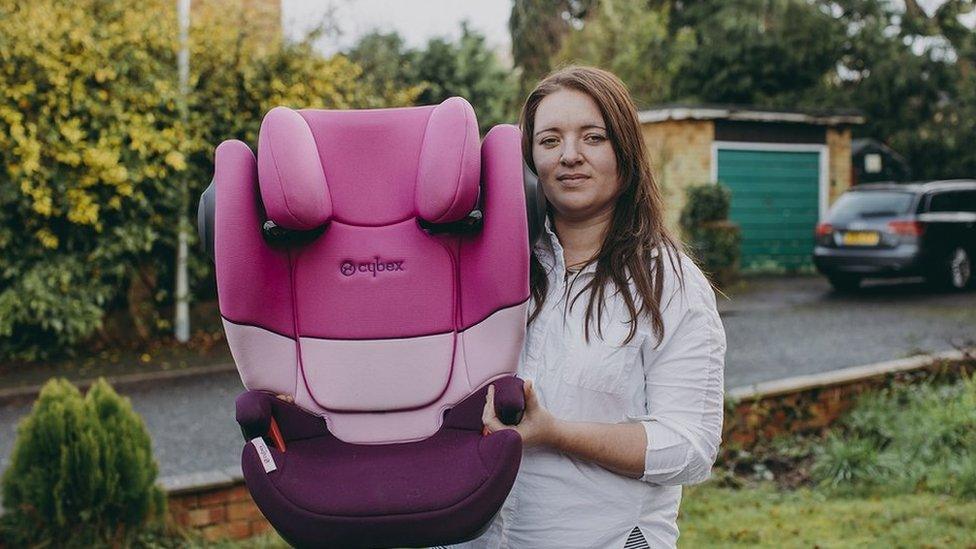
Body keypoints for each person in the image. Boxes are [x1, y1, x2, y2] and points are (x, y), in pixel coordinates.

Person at [450, 66, 727, 549]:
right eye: (550, 140)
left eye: (592, 137)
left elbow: (690, 448)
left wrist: (555, 433)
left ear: (626, 150)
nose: (570, 156)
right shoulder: (486, 269)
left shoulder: (671, 285)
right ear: (530, 158)